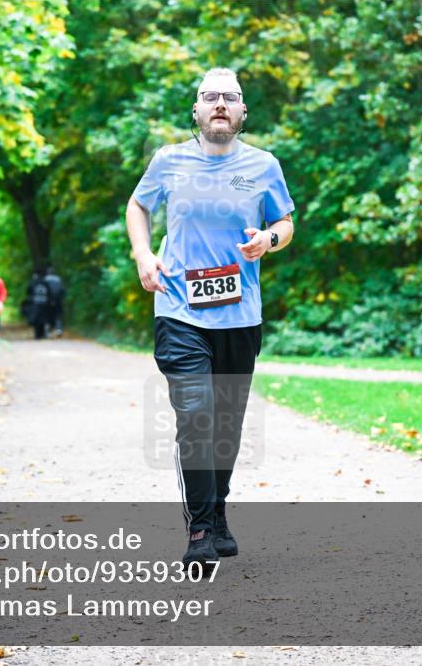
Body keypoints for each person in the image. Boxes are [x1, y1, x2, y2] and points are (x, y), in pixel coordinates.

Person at [126, 68, 295, 571]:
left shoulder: (264, 165)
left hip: (240, 316)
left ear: (243, 112)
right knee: (196, 417)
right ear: (196, 111)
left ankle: (218, 510)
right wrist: (142, 253)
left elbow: (285, 222)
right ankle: (200, 529)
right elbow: (138, 205)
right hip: (179, 308)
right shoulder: (169, 160)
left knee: (227, 424)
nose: (220, 104)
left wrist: (269, 240)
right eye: (210, 97)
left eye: (230, 97)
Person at [25, 270, 51, 340]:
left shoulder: (33, 282)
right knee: (43, 320)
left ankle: (37, 335)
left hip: (35, 304)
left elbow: (28, 292)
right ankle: (42, 334)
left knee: (36, 319)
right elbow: (50, 293)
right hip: (44, 304)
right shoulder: (46, 283)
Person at [43, 266, 66, 337]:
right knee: (58, 315)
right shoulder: (58, 279)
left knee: (47, 315)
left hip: (47, 300)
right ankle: (59, 329)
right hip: (58, 300)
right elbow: (63, 290)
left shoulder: (45, 279)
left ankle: (48, 331)